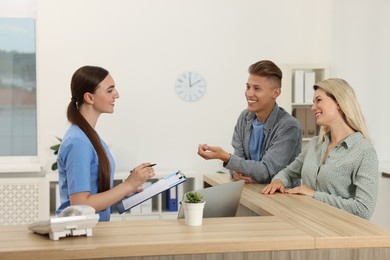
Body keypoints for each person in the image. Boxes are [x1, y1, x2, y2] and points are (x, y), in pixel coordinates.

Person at [262, 78, 378, 220]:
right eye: (313, 102)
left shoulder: (363, 151)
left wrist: (314, 195)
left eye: (318, 100)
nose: (313, 107)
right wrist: (278, 181)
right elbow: (288, 173)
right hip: (308, 223)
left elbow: (363, 209)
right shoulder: (315, 143)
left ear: (339, 103)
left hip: (338, 233)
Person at [56, 65, 155, 222]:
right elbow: (80, 204)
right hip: (79, 232)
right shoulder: (77, 142)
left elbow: (93, 196)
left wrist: (123, 193)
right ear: (90, 97)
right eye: (110, 90)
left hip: (94, 229)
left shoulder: (90, 136)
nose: (117, 95)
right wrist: (128, 185)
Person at [198, 60, 302, 184]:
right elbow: (238, 159)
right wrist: (235, 172)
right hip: (250, 192)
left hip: (279, 199)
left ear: (276, 93)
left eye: (257, 89)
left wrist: (225, 157)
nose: (249, 93)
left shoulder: (288, 126)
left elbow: (267, 172)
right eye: (248, 87)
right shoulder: (245, 117)